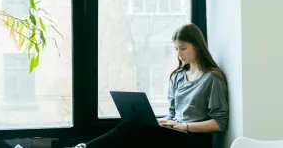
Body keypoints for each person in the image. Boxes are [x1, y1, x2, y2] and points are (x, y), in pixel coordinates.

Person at [74, 23, 229, 148]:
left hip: (195, 139)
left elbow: (219, 123)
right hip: (176, 133)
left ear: (197, 46)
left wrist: (185, 127)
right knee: (132, 127)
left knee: (130, 130)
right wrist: (160, 122)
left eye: (183, 48)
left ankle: (85, 147)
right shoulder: (178, 76)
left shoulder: (212, 78)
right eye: (176, 49)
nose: (179, 54)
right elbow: (173, 113)